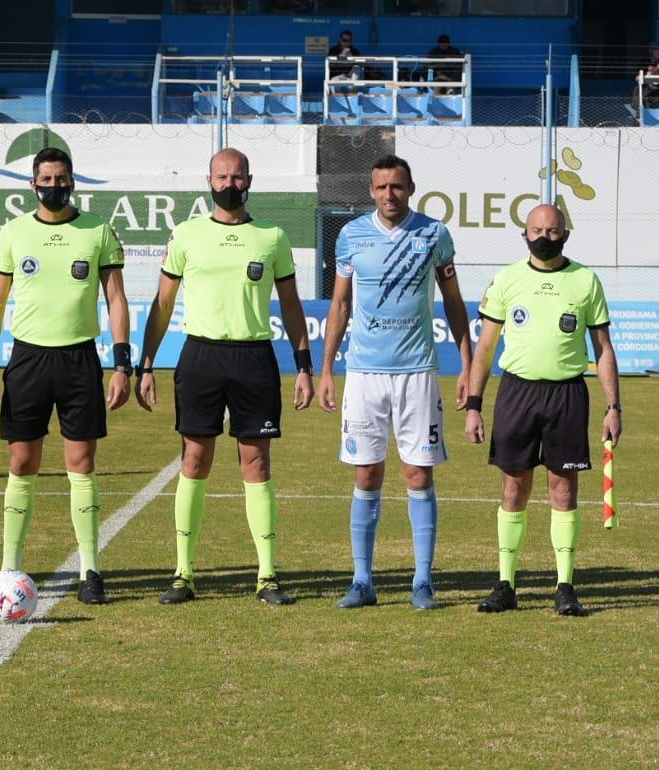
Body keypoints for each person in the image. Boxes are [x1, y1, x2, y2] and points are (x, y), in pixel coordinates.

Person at [135, 147, 315, 607]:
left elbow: (292, 306)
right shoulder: (187, 234)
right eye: (221, 176)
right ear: (208, 181)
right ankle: (183, 573)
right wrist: (146, 362)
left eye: (237, 177)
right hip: (201, 357)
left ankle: (268, 574)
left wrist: (304, 365)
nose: (229, 184)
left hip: (254, 358)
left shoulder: (272, 237)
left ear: (249, 180)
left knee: (256, 465)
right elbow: (163, 303)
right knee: (194, 460)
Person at [317, 154, 473, 611]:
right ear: (371, 191)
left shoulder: (434, 235)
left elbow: (454, 301)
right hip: (364, 374)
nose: (390, 194)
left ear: (411, 188)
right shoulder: (350, 236)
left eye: (398, 187)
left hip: (418, 374)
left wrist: (465, 365)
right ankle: (362, 581)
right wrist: (327, 369)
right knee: (367, 473)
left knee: (417, 474)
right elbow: (340, 306)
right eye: (382, 187)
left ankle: (423, 581)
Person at [0, 147, 130, 605]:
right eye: (46, 179)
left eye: (61, 178)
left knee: (81, 465)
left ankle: (91, 570)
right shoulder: (14, 232)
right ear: (32, 184)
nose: (54, 186)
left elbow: (117, 300)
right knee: (23, 463)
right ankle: (10, 567)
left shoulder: (98, 231)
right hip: (27, 361)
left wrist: (122, 363)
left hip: (80, 359)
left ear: (72, 182)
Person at [465, 205, 622, 617]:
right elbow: (484, 348)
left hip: (567, 394)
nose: (544, 237)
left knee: (564, 489)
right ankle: (506, 584)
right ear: (523, 234)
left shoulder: (585, 280)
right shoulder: (507, 279)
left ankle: (565, 586)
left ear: (565, 235)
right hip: (517, 393)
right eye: (536, 230)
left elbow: (603, 350)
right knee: (513, 488)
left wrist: (613, 406)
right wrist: (475, 406)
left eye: (552, 232)